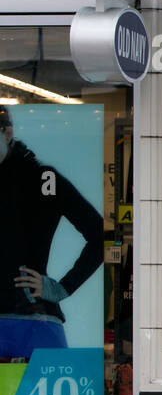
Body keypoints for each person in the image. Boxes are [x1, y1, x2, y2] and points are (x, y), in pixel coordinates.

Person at [0, 104, 104, 359]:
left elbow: (99, 235)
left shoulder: (43, 179)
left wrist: (61, 288)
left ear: (7, 133)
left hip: (33, 321)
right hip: (33, 321)